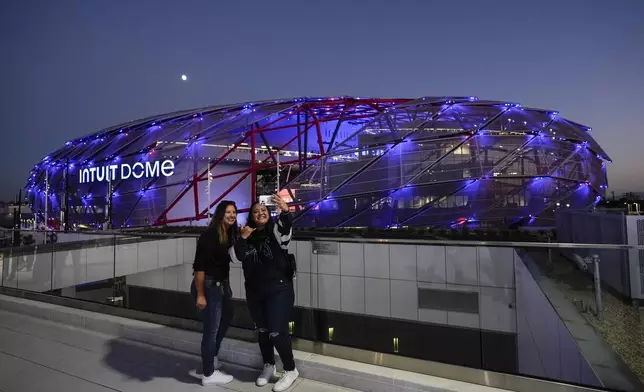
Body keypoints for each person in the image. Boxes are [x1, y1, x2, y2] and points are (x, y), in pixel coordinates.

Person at [232, 194, 298, 392]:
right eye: (256, 211)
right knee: (263, 331)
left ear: (268, 214)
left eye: (264, 210)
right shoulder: (245, 235)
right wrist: (243, 238)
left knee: (277, 331)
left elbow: (286, 233)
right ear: (251, 216)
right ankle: (268, 365)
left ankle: (290, 369)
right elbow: (236, 258)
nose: (260, 213)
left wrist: (286, 212)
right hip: (255, 291)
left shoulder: (275, 232)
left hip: (279, 289)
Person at [190, 201, 238, 386]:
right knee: (211, 330)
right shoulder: (210, 235)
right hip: (208, 286)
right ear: (220, 214)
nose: (232, 215)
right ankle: (208, 374)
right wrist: (201, 295)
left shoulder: (228, 233)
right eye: (228, 212)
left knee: (227, 317)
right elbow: (199, 268)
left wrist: (227, 286)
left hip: (219, 285)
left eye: (234, 212)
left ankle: (211, 358)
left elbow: (225, 265)